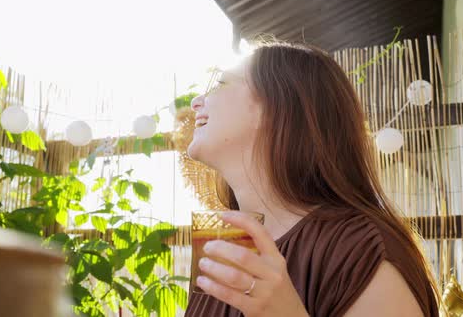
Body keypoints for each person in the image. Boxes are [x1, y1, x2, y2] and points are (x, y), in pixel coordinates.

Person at [184, 41, 439, 317]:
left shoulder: (358, 250)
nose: (196, 102)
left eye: (220, 84)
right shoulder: (227, 247)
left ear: (277, 106)